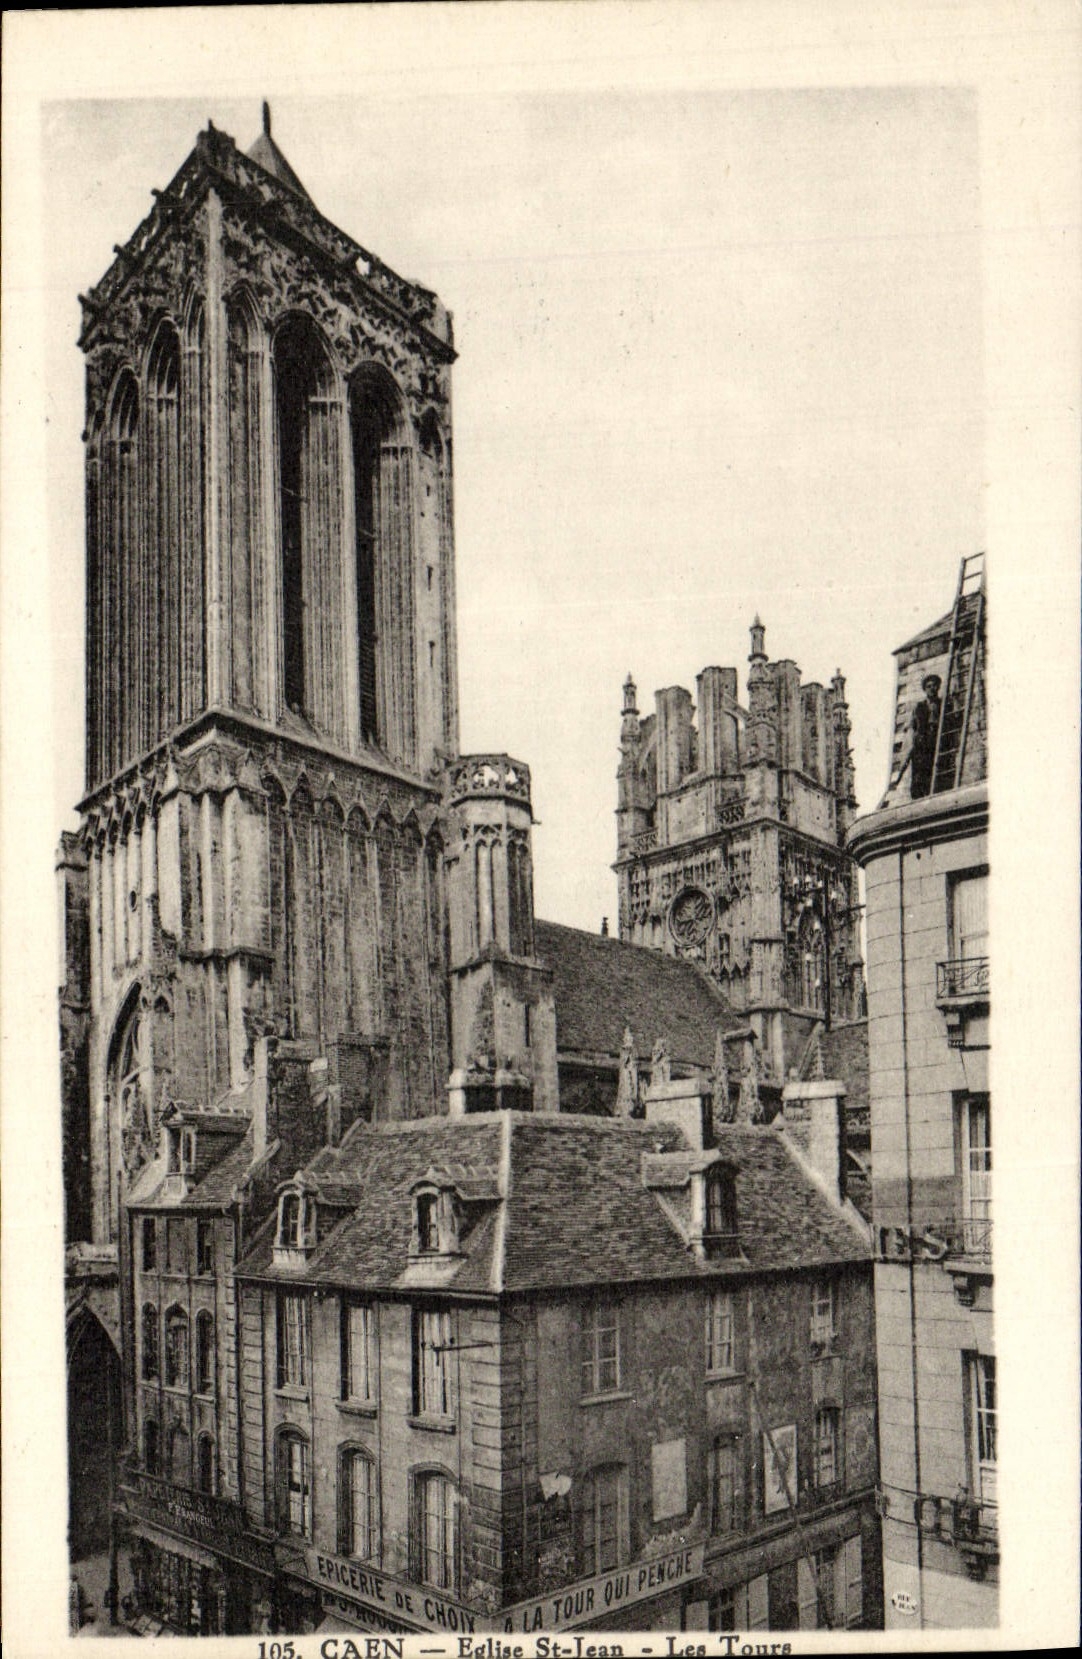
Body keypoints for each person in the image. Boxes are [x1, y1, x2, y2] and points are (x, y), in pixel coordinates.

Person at [904, 672, 942, 799]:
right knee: (920, 773)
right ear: (925, 689)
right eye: (929, 686)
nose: (932, 688)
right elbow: (911, 726)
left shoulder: (943, 704)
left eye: (934, 686)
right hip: (922, 745)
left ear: (938, 687)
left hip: (938, 741)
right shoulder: (919, 707)